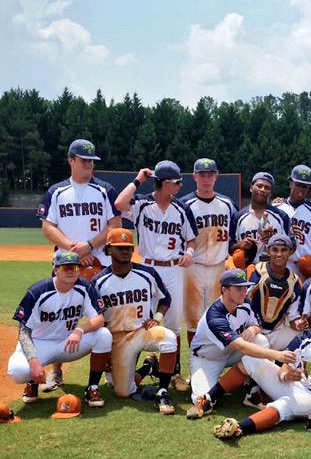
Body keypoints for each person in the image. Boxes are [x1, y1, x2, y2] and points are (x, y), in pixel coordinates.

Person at [206, 300, 311, 440]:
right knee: (250, 359)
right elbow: (284, 369)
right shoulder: (303, 339)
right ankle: (207, 399)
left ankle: (239, 428)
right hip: (291, 385)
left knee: (284, 405)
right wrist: (285, 376)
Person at [36, 138, 120, 392]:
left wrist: (89, 244)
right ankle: (56, 371)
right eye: (84, 161)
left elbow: (115, 226)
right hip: (66, 266)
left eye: (92, 162)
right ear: (71, 160)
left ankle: (108, 368)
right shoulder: (57, 191)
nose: (89, 166)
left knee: (106, 318)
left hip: (100, 263)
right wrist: (75, 249)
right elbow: (47, 227)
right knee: (62, 318)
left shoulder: (105, 189)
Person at [114, 159, 197, 391]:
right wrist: (139, 179)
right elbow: (120, 203)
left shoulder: (182, 208)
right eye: (175, 182)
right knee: (143, 320)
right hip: (148, 268)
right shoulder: (141, 204)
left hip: (173, 269)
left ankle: (174, 372)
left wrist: (189, 252)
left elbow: (192, 239)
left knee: (173, 324)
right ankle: (138, 366)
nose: (180, 185)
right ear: (162, 183)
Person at [186, 268, 296, 418]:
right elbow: (241, 346)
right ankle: (196, 377)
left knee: (260, 340)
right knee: (203, 400)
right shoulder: (215, 316)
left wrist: (253, 329)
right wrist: (278, 355)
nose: (244, 291)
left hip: (230, 353)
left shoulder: (245, 302)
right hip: (207, 359)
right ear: (224, 290)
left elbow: (258, 325)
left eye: (245, 287)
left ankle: (253, 390)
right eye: (238, 288)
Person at [8, 250, 112, 408]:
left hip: (68, 343)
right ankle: (32, 383)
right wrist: (34, 361)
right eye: (65, 267)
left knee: (103, 335)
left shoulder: (84, 286)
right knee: (18, 371)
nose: (70, 271)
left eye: (75, 267)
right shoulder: (38, 291)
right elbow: (24, 331)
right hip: (40, 344)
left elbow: (99, 318)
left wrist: (79, 331)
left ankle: (92, 387)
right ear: (55, 269)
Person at [92, 228, 178, 414]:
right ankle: (148, 367)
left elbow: (166, 299)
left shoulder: (147, 274)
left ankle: (163, 390)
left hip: (142, 331)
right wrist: (105, 349)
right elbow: (96, 317)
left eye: (128, 247)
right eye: (119, 247)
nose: (125, 251)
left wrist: (157, 318)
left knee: (169, 338)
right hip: (116, 339)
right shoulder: (99, 281)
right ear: (108, 250)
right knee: (122, 391)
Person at [181, 158, 237, 346]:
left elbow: (235, 235)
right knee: (193, 320)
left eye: (210, 175)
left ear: (216, 176)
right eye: (202, 175)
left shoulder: (227, 204)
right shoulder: (185, 204)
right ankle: (195, 364)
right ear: (194, 176)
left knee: (218, 317)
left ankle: (215, 362)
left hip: (219, 266)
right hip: (193, 268)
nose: (206, 179)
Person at [275, 164, 311, 279]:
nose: (301, 189)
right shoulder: (276, 208)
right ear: (290, 183)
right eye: (298, 184)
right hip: (280, 265)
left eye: (305, 186)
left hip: (307, 268)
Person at [229, 172, 291, 268]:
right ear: (251, 188)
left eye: (267, 188)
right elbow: (229, 247)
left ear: (270, 192)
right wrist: (239, 245)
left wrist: (274, 240)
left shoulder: (281, 216)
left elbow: (292, 246)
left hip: (274, 269)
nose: (262, 190)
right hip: (246, 269)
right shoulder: (238, 216)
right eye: (259, 186)